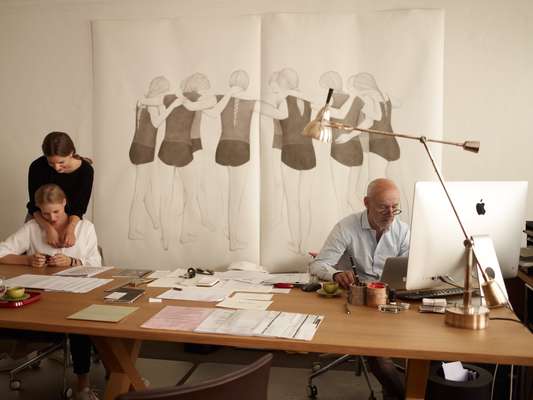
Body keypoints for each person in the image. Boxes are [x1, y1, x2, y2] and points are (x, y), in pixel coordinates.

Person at [310, 178, 409, 400]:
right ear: (366, 202)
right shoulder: (346, 227)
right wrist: (336, 274)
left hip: (390, 300)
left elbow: (410, 271)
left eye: (395, 207)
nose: (390, 213)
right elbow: (318, 264)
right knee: (380, 358)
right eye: (383, 207)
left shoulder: (403, 231)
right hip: (356, 302)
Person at [0, 184, 102, 400]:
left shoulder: (85, 227)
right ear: (38, 211)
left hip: (77, 296)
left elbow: (97, 264)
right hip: (42, 297)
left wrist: (73, 261)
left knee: (79, 324)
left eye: (56, 211)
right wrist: (27, 260)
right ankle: (17, 349)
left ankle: (83, 385)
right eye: (46, 214)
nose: (52, 218)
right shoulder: (32, 229)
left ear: (65, 203)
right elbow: (2, 252)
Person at [27, 132, 94, 249]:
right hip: (39, 217)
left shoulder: (86, 171)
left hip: (71, 220)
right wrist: (48, 229)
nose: (56, 167)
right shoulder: (37, 167)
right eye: (51, 163)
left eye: (61, 162)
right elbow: (34, 205)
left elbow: (79, 208)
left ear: (71, 153)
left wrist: (70, 228)